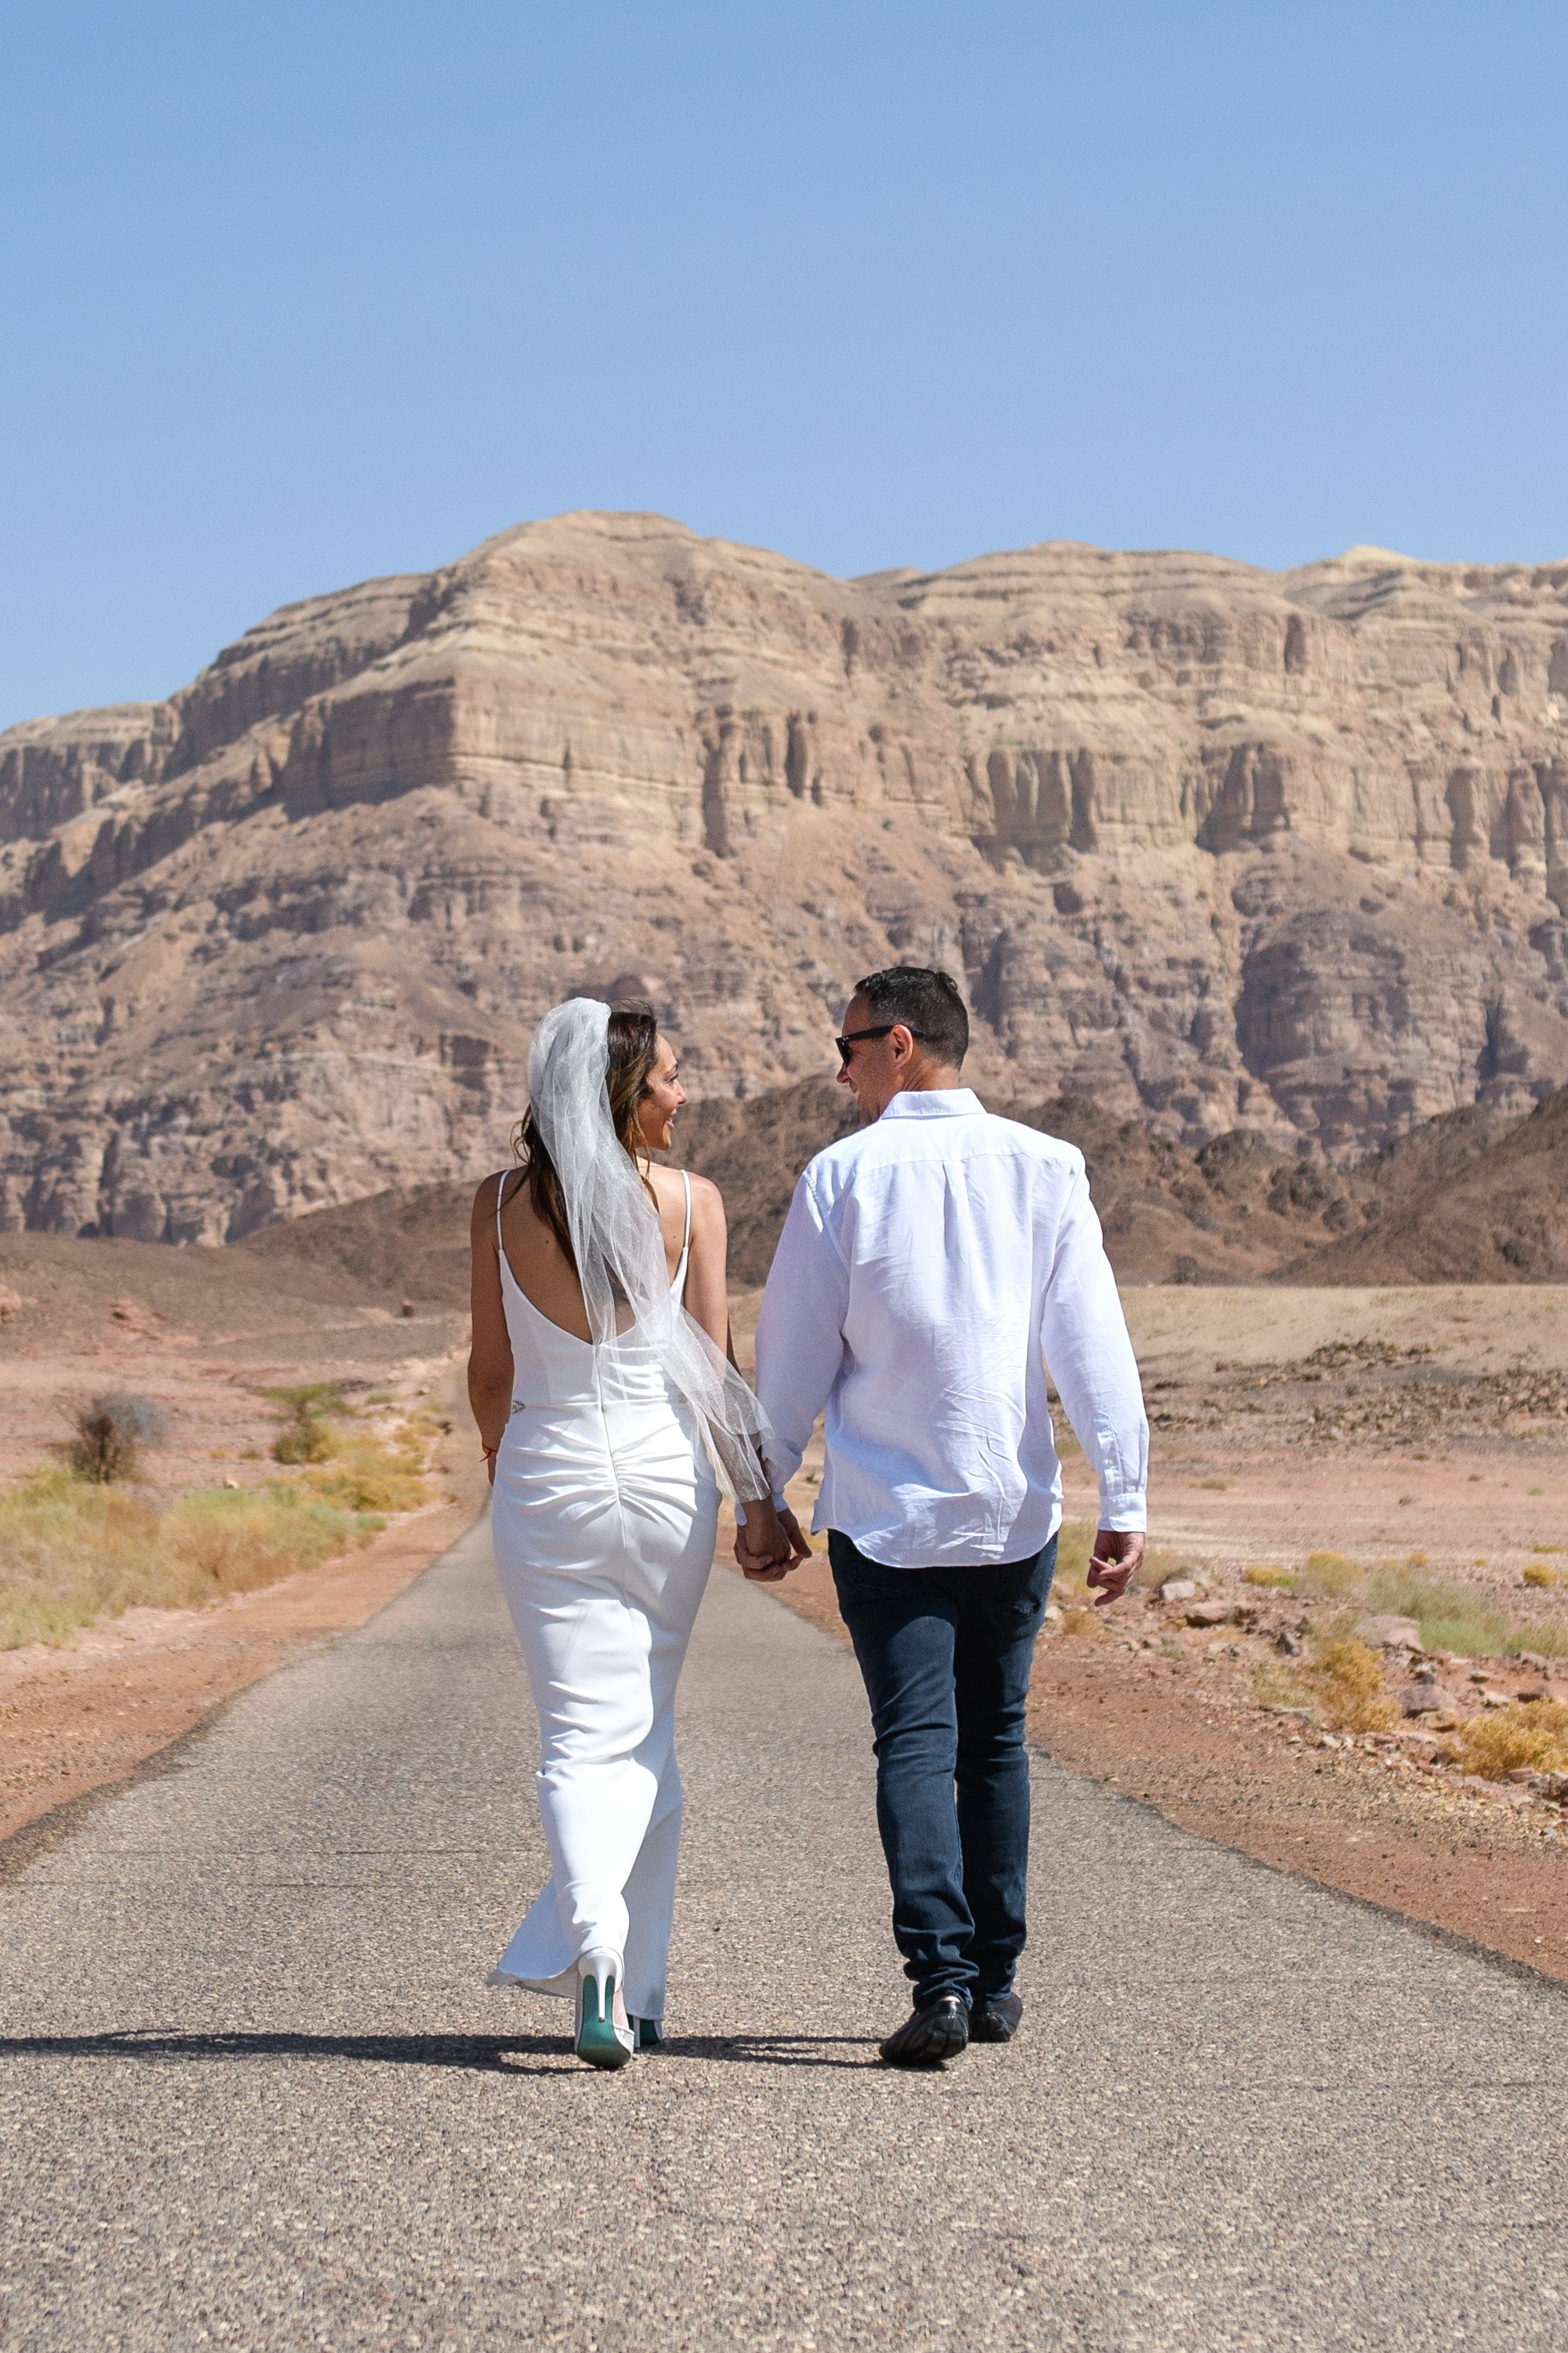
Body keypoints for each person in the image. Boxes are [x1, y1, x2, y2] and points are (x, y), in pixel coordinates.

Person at [740, 967, 1147, 2067]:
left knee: (917, 1742)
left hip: (885, 1515)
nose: (839, 1070)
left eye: (850, 1047)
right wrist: (1126, 1491)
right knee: (996, 1739)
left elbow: (792, 1356)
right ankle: (999, 1979)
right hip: (1013, 1509)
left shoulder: (841, 1177)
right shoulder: (1046, 1167)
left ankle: (944, 1983)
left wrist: (763, 1490)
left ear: (901, 1044)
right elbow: (1090, 1344)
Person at [469, 996, 799, 2069]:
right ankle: (635, 1984)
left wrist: (497, 1461)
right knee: (644, 1726)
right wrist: (755, 1499)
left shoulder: (499, 1204)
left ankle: (608, 1959)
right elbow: (717, 1367)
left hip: (546, 1465)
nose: (681, 1092)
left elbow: (491, 1372)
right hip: (663, 1476)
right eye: (665, 1077)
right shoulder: (692, 1204)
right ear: (619, 1092)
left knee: (580, 1733)